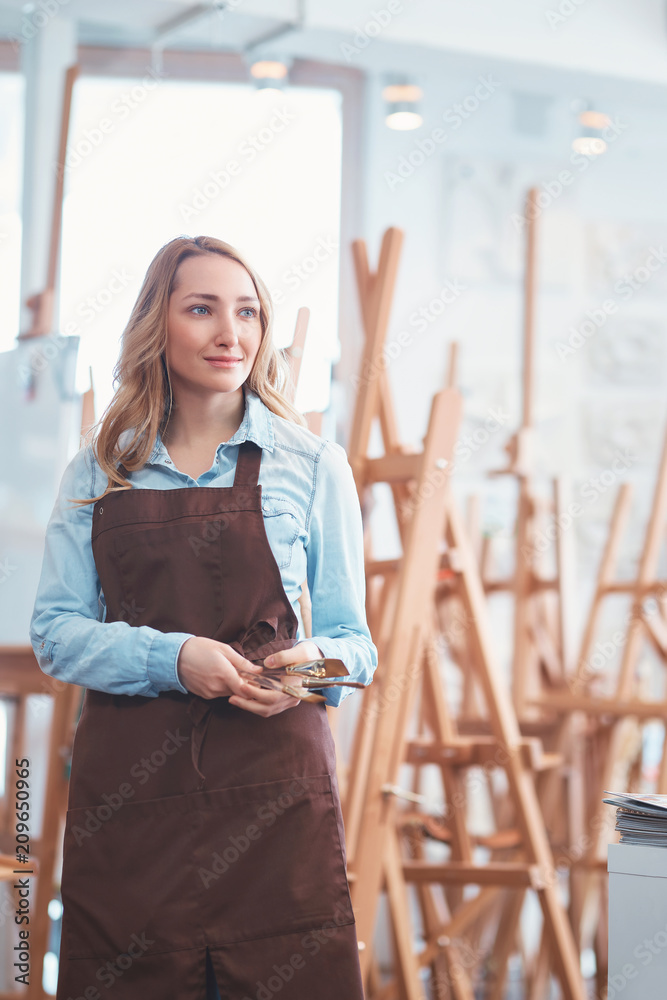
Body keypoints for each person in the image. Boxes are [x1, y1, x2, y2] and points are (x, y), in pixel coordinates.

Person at [29, 234, 378, 999]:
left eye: (248, 312)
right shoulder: (98, 470)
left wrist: (303, 672)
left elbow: (356, 648)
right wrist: (172, 657)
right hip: (131, 806)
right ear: (159, 324)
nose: (232, 333)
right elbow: (54, 635)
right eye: (202, 309)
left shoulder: (313, 465)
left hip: (273, 801)